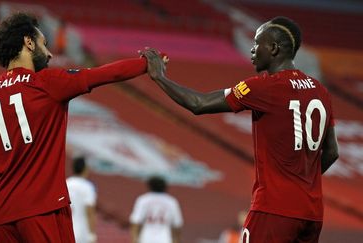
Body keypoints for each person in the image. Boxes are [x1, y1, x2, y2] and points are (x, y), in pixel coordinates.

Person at [0, 12, 155, 243]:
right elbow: (105, 74)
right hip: (44, 210)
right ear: (28, 43)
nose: (49, 54)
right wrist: (148, 63)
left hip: (4, 216)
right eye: (44, 44)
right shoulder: (47, 83)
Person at [143, 16, 339, 243]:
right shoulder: (321, 91)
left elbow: (199, 104)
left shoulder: (264, 87)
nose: (253, 51)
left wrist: (159, 77)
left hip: (274, 208)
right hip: (312, 212)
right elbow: (332, 152)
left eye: (257, 43)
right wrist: (302, 182)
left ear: (274, 48)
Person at [129, 176, 183, 243]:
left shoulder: (143, 200)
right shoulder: (171, 202)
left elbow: (136, 222)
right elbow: (177, 225)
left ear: (149, 186)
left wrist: (134, 240)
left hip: (146, 238)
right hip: (164, 239)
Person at [66, 157, 97, 243]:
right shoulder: (87, 187)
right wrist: (92, 235)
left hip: (66, 231)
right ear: (85, 169)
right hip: (82, 233)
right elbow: (90, 211)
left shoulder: (66, 183)